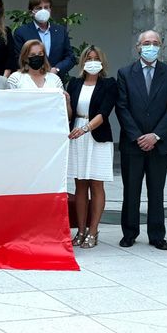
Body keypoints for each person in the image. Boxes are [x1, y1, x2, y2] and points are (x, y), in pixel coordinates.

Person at [115, 30, 167, 250]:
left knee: (157, 191)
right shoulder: (125, 73)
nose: (150, 46)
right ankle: (130, 232)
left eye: (155, 43)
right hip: (132, 144)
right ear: (138, 47)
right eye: (146, 43)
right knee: (131, 190)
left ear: (161, 46)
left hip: (159, 143)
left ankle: (157, 235)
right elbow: (122, 107)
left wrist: (155, 135)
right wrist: (137, 137)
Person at [66, 45, 118, 249]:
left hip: (97, 135)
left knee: (96, 184)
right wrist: (68, 102)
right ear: (83, 62)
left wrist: (86, 128)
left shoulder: (109, 84)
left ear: (102, 62)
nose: (93, 61)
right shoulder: (75, 83)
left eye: (96, 58)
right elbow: (69, 113)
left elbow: (104, 112)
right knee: (80, 185)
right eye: (89, 58)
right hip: (76, 133)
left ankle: (93, 230)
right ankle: (80, 230)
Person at [13, 0, 76, 78]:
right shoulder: (21, 32)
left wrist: (57, 69)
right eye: (39, 8)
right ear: (31, 12)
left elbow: (70, 57)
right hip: (30, 80)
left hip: (55, 81)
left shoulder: (60, 31)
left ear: (50, 10)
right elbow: (18, 58)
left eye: (46, 7)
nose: (43, 11)